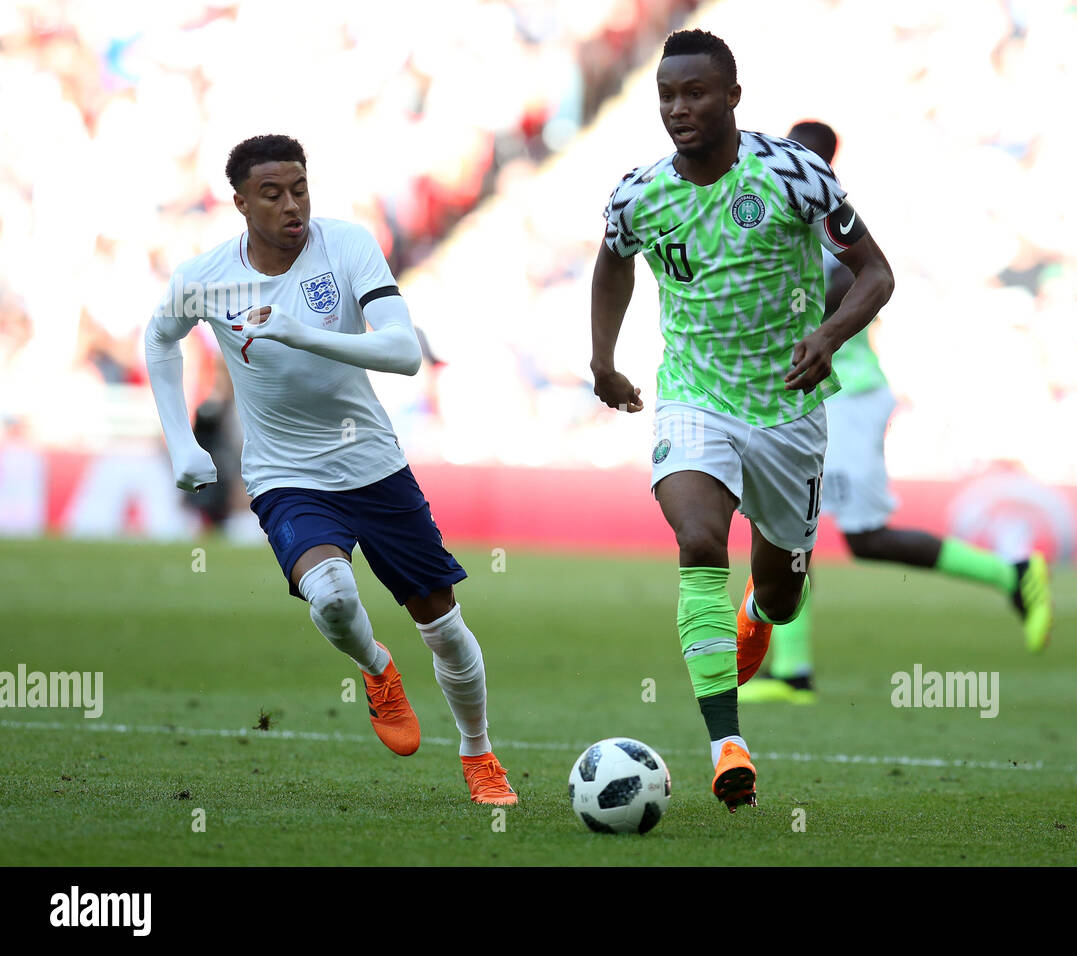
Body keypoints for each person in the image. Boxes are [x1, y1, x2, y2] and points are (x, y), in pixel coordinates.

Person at [144, 134, 515, 805]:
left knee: (443, 623)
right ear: (240, 204)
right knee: (335, 597)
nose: (292, 205)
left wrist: (298, 330)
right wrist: (181, 444)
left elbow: (403, 353)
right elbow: (160, 338)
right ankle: (377, 668)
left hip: (372, 465)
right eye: (273, 194)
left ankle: (478, 752)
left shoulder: (345, 245)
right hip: (285, 474)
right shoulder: (205, 278)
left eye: (300, 189)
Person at [590, 31, 894, 811]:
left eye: (694, 93)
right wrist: (603, 360)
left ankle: (759, 613)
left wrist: (827, 336)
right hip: (694, 398)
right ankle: (727, 742)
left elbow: (875, 273)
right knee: (697, 540)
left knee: (782, 593)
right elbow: (614, 259)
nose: (678, 109)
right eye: (666, 96)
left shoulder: (793, 173)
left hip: (788, 413)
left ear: (731, 95)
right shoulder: (638, 192)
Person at [740, 121, 1054, 706]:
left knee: (858, 536)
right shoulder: (779, 225)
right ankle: (794, 671)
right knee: (791, 528)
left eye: (804, 161)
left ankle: (1011, 574)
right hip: (812, 397)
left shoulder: (832, 235)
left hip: (848, 398)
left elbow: (825, 298)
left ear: (823, 168)